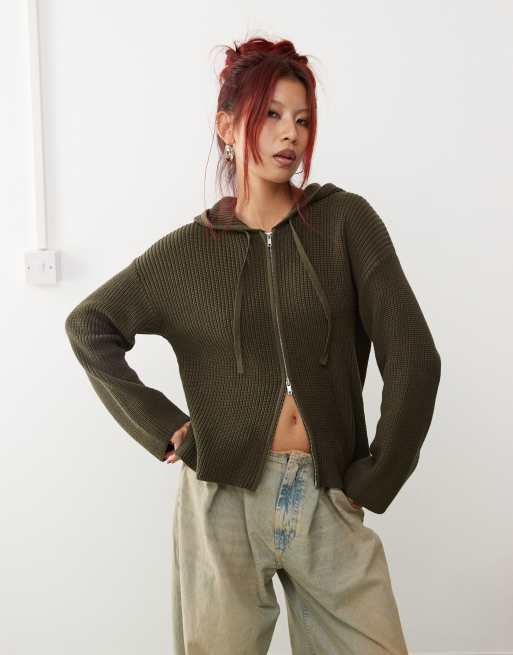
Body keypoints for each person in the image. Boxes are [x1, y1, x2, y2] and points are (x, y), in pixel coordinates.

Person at [65, 35, 441, 655]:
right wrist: (165, 427)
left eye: (303, 120)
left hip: (327, 493)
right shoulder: (190, 251)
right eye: (271, 114)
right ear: (226, 126)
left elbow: (414, 357)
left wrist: (378, 476)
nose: (290, 133)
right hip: (221, 501)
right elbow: (90, 326)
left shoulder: (345, 222)